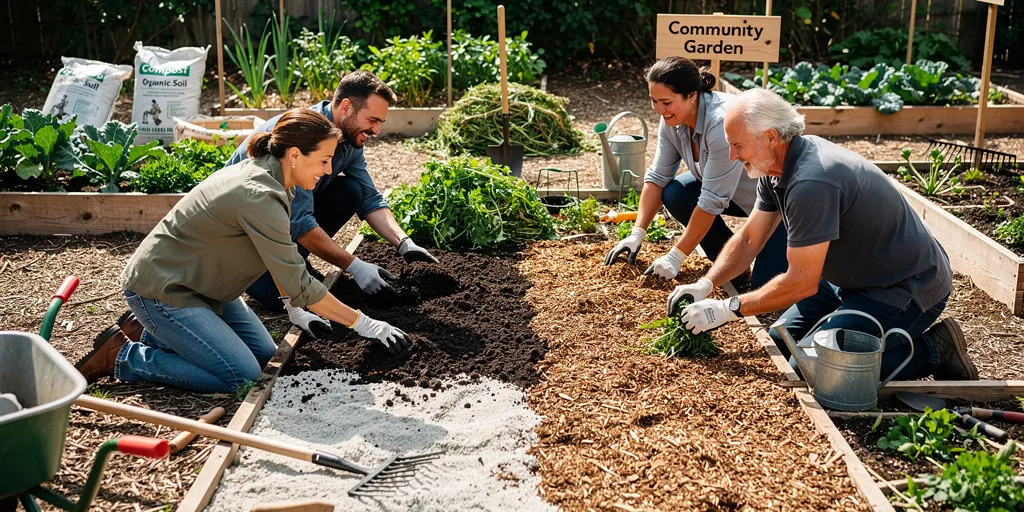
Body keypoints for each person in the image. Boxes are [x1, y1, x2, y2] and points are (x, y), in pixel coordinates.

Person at [74, 109, 411, 393]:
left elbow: (282, 259)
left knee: (266, 357)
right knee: (243, 377)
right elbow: (300, 281)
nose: (327, 171)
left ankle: (152, 333)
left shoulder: (278, 178)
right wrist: (365, 324)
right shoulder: (260, 195)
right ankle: (123, 357)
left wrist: (292, 306)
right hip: (164, 289)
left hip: (207, 286)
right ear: (295, 155)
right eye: (323, 161)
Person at [668, 88, 978, 381]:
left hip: (902, 288)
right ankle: (847, 327)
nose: (733, 156)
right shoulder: (775, 167)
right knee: (780, 340)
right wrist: (706, 284)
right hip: (848, 279)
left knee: (815, 370)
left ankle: (935, 350)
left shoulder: (812, 182)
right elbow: (750, 239)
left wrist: (729, 308)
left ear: (771, 137)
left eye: (737, 145)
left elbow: (801, 282)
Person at [225, 70, 438, 339]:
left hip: (280, 226)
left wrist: (403, 242)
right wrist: (355, 266)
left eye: (381, 122)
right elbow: (299, 222)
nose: (378, 130)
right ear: (346, 107)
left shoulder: (349, 139)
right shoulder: (303, 139)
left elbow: (369, 196)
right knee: (273, 298)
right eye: (372, 120)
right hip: (245, 241)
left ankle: (297, 263)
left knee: (352, 190)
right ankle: (278, 273)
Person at [604, 56, 787, 289]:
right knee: (676, 193)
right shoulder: (673, 119)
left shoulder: (721, 125)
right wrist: (636, 233)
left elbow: (711, 200)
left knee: (767, 287)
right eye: (653, 101)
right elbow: (658, 177)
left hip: (776, 206)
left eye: (666, 102)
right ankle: (732, 267)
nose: (659, 109)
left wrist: (676, 256)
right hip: (734, 196)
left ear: (692, 95)